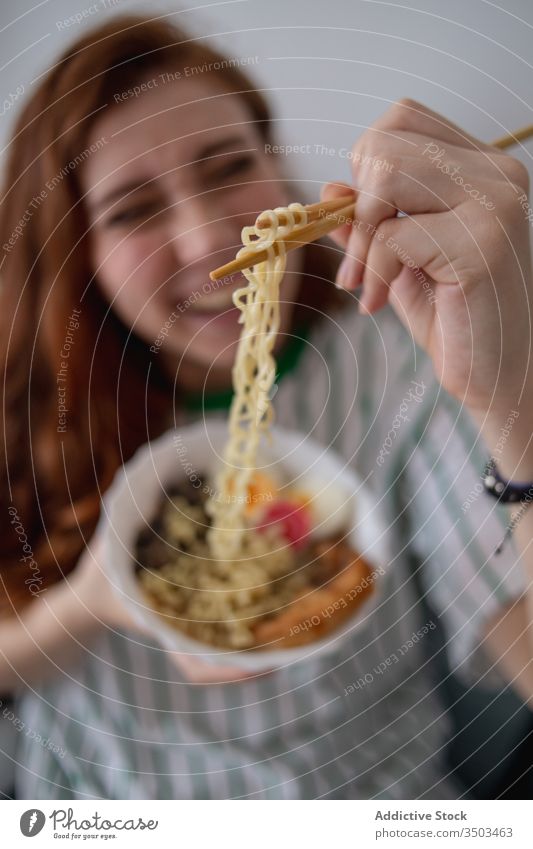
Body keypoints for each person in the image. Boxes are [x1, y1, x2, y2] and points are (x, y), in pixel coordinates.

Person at [1, 14, 531, 800]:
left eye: (226, 168)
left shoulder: (392, 361)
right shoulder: (30, 399)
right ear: (76, 249)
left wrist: (511, 395)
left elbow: (513, 630)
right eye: (134, 210)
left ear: (278, 168)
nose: (211, 241)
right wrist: (86, 605)